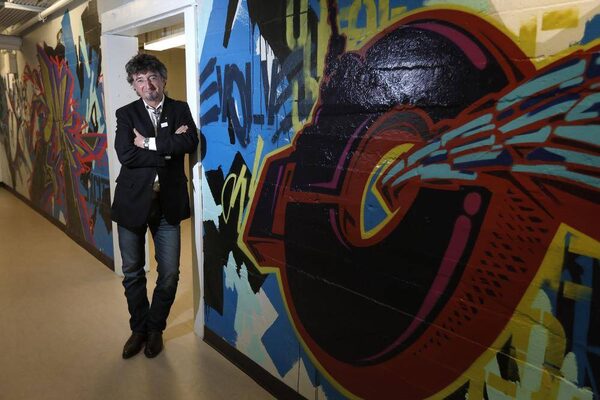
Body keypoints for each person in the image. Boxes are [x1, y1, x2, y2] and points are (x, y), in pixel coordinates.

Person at [111, 53, 199, 359]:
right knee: (133, 272)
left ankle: (155, 328)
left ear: (163, 79)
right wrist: (168, 146)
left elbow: (189, 143)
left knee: (170, 273)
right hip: (132, 203)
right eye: (140, 80)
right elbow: (126, 154)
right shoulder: (126, 114)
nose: (147, 85)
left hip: (168, 204)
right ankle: (139, 329)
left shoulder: (180, 109)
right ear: (134, 86)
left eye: (152, 78)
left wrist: (148, 143)